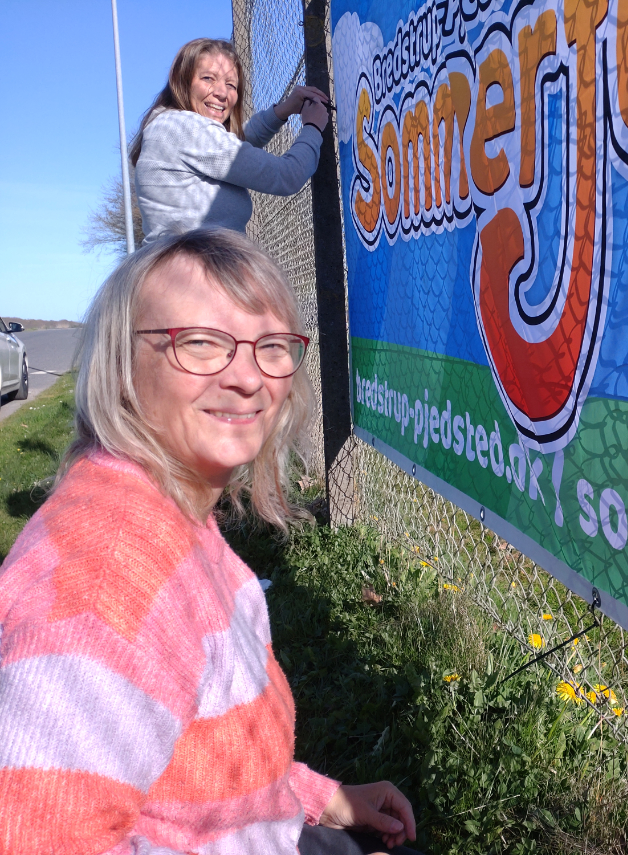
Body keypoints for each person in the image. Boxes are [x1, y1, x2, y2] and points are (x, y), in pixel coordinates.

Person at [0, 229, 417, 855]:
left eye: (270, 347)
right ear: (121, 366)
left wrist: (320, 797)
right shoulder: (105, 578)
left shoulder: (168, 512)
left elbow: (195, 769)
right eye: (199, 342)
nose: (248, 378)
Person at [131, 38, 329, 243]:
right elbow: (286, 175)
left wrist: (281, 112)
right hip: (197, 261)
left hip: (187, 259)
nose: (222, 93)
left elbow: (234, 149)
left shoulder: (168, 125)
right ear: (181, 81)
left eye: (231, 85)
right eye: (208, 78)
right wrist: (313, 128)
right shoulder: (183, 128)